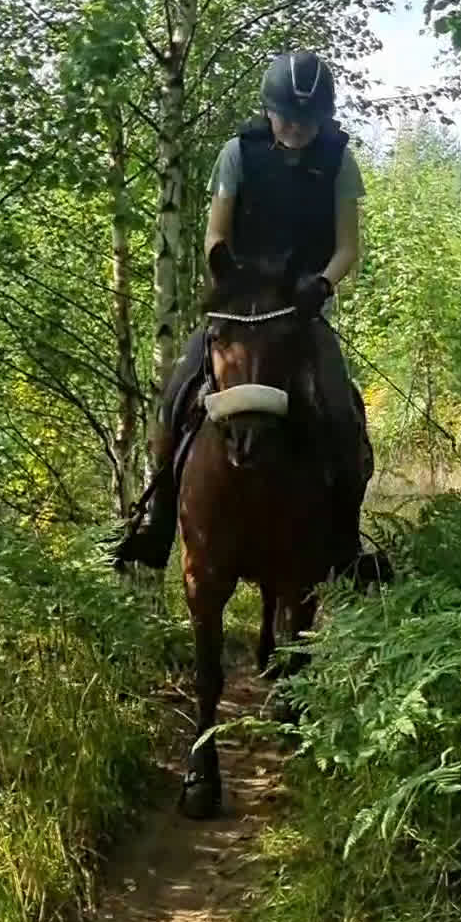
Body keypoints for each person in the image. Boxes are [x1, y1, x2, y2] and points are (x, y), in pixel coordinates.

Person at [114, 49, 372, 573]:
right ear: (269, 110)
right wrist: (226, 272)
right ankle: (158, 521)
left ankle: (344, 543)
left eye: (310, 119)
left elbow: (349, 246)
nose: (299, 127)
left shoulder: (339, 160)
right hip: (239, 306)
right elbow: (216, 232)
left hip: (298, 308)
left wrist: (322, 283)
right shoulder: (239, 153)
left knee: (342, 412)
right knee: (180, 391)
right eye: (289, 117)